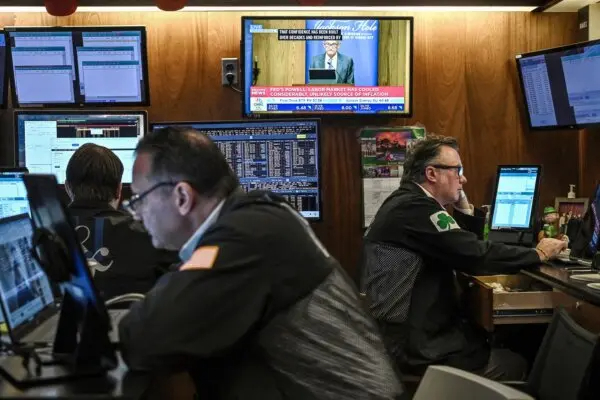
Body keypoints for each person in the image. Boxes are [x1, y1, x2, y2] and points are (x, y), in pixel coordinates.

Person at [118, 127, 405, 399]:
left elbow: (148, 339)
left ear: (182, 196)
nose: (136, 213)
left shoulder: (247, 236)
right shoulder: (252, 220)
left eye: (140, 199)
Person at [360, 135, 566, 381]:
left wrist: (463, 210)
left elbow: (461, 247)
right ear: (432, 173)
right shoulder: (415, 209)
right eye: (457, 170)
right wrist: (538, 253)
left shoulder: (404, 203)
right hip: (420, 352)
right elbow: (476, 255)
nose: (463, 178)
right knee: (518, 362)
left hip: (405, 340)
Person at [65, 143, 178, 301]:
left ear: (68, 188)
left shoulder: (45, 235)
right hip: (134, 321)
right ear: (119, 189)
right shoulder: (150, 233)